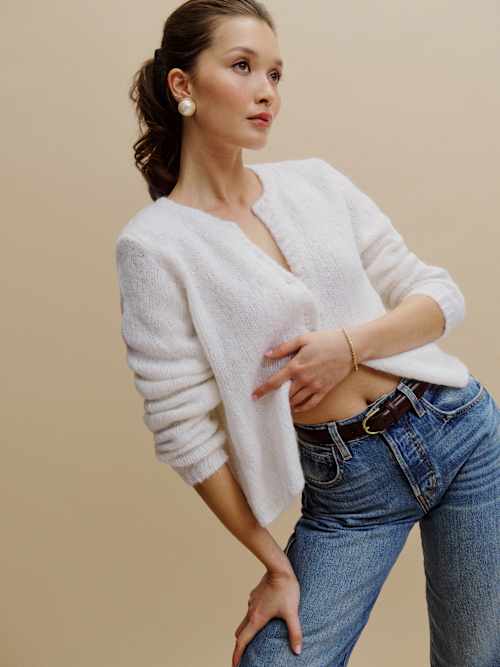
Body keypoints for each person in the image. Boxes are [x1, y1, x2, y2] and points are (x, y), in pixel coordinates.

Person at [115, 1, 500, 665]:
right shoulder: (154, 246)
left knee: (476, 657)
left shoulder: (316, 182)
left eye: (275, 74)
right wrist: (274, 563)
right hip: (350, 486)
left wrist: (348, 346)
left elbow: (440, 295)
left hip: (458, 427)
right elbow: (182, 429)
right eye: (243, 67)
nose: (267, 91)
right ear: (183, 84)